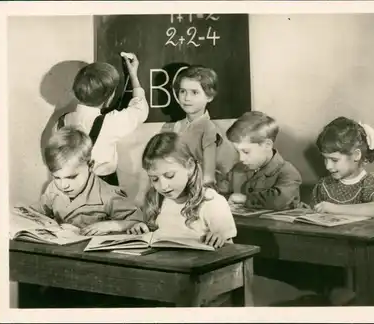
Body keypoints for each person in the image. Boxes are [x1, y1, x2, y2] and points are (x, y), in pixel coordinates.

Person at [134, 65, 237, 206]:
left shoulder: (209, 129)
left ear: (209, 96)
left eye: (194, 92)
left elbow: (208, 175)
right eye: (183, 91)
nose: (187, 98)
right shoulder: (170, 127)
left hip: (197, 195)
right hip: (170, 190)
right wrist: (141, 193)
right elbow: (152, 163)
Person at [128, 132, 237, 249]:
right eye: (154, 179)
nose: (163, 186)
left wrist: (219, 237)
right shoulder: (158, 200)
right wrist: (141, 228)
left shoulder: (211, 201)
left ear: (189, 166)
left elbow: (230, 249)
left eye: (169, 175)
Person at [30, 126, 143, 235]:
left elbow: (138, 221)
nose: (63, 185)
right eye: (57, 177)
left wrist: (109, 225)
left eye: (71, 177)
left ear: (90, 165)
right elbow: (35, 212)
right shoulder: (53, 188)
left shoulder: (108, 195)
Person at [58, 52, 149, 186]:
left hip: (72, 187)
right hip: (103, 186)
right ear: (110, 97)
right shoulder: (110, 123)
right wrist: (133, 74)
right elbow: (140, 110)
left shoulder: (63, 121)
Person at [310, 116, 374, 217]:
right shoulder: (324, 185)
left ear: (356, 155)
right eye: (325, 159)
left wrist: (334, 209)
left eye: (334, 160)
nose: (328, 166)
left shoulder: (369, 182)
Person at [224, 111, 302, 210]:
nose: (241, 158)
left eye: (246, 152)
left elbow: (278, 200)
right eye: (237, 152)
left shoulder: (288, 173)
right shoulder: (237, 169)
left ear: (267, 145)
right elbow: (222, 191)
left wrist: (245, 199)